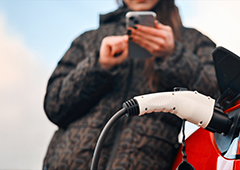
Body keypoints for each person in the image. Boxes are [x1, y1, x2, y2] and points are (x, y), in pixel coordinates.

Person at [43, 0, 219, 169]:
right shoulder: (89, 39)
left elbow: (218, 100)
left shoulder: (192, 41)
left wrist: (174, 55)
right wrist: (98, 65)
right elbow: (54, 105)